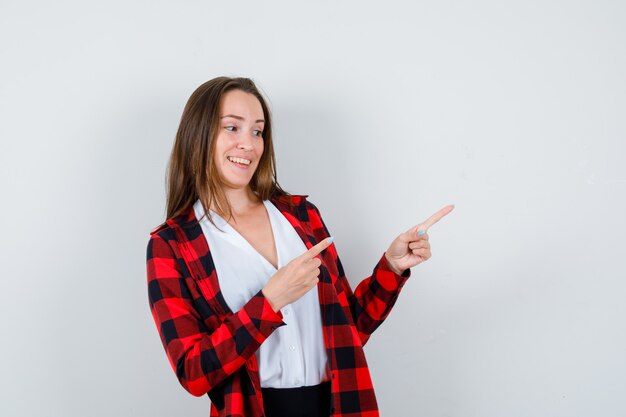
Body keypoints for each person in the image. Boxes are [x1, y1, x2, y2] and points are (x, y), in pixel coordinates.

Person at [146, 76, 454, 417]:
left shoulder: (301, 217)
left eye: (257, 131)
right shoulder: (171, 245)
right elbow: (194, 373)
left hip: (338, 406)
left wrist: (393, 268)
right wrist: (270, 301)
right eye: (232, 128)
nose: (248, 143)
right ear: (198, 135)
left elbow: (349, 331)